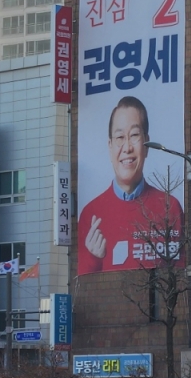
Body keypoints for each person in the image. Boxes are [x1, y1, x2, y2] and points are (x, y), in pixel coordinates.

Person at [77, 95, 184, 274]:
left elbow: (178, 278)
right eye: (119, 137)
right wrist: (94, 258)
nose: (127, 148)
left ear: (147, 144)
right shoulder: (90, 214)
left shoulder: (170, 207)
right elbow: (81, 287)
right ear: (110, 146)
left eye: (134, 135)